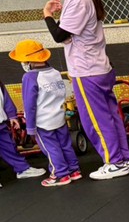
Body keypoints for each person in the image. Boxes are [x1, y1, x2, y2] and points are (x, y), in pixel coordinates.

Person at [42, 0, 129, 180]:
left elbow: (59, 35)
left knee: (96, 121)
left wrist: (47, 15)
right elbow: (68, 33)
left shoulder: (80, 1)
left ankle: (114, 162)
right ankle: (123, 159)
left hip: (87, 71)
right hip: (98, 68)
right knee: (110, 116)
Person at [8, 40, 80, 187]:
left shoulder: (29, 77)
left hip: (42, 122)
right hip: (59, 117)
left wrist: (30, 127)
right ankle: (74, 170)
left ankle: (60, 174)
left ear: (28, 61)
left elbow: (29, 104)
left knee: (51, 148)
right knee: (65, 145)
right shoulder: (55, 73)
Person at [0, 83, 45, 185]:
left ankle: (22, 169)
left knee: (10, 147)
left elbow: (6, 99)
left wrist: (12, 116)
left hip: (1, 124)